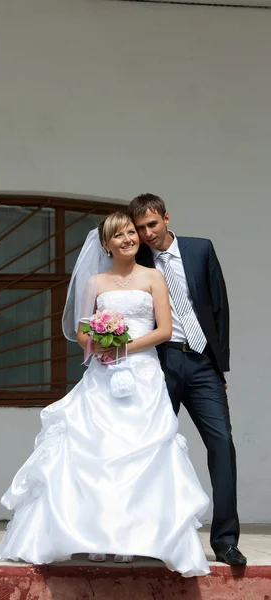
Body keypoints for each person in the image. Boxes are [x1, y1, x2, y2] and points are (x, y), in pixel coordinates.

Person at [0, 212, 210, 577]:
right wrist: (97, 342)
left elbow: (165, 330)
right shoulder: (95, 281)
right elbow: (81, 333)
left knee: (138, 453)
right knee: (96, 451)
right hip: (103, 376)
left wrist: (125, 348)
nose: (128, 238)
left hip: (142, 374)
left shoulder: (154, 277)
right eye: (119, 235)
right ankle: (94, 538)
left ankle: (130, 539)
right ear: (106, 243)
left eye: (131, 232)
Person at [128, 194, 246, 566]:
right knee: (151, 448)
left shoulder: (199, 250)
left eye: (152, 225)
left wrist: (219, 367)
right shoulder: (138, 260)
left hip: (201, 364)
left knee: (222, 445)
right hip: (159, 364)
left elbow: (219, 307)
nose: (147, 234)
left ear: (166, 218)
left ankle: (226, 541)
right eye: (141, 228)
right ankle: (149, 537)